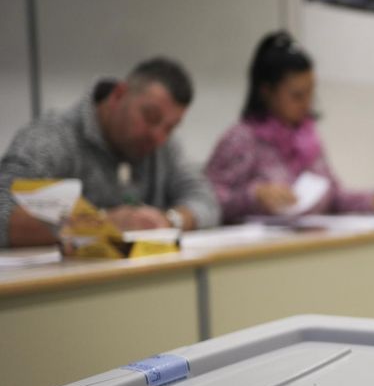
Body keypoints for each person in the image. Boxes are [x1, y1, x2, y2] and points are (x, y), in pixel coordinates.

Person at [0, 58, 220, 247]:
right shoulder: (51, 138)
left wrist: (170, 220)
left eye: (170, 127)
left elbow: (206, 200)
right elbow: (3, 212)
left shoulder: (161, 144)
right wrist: (103, 224)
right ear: (118, 95)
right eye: (150, 117)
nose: (158, 136)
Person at [205, 31, 374, 224]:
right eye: (297, 95)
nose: (307, 103)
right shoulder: (242, 139)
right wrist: (254, 196)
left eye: (311, 93)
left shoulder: (308, 137)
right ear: (266, 92)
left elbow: (333, 195)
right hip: (258, 252)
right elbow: (207, 199)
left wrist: (372, 201)